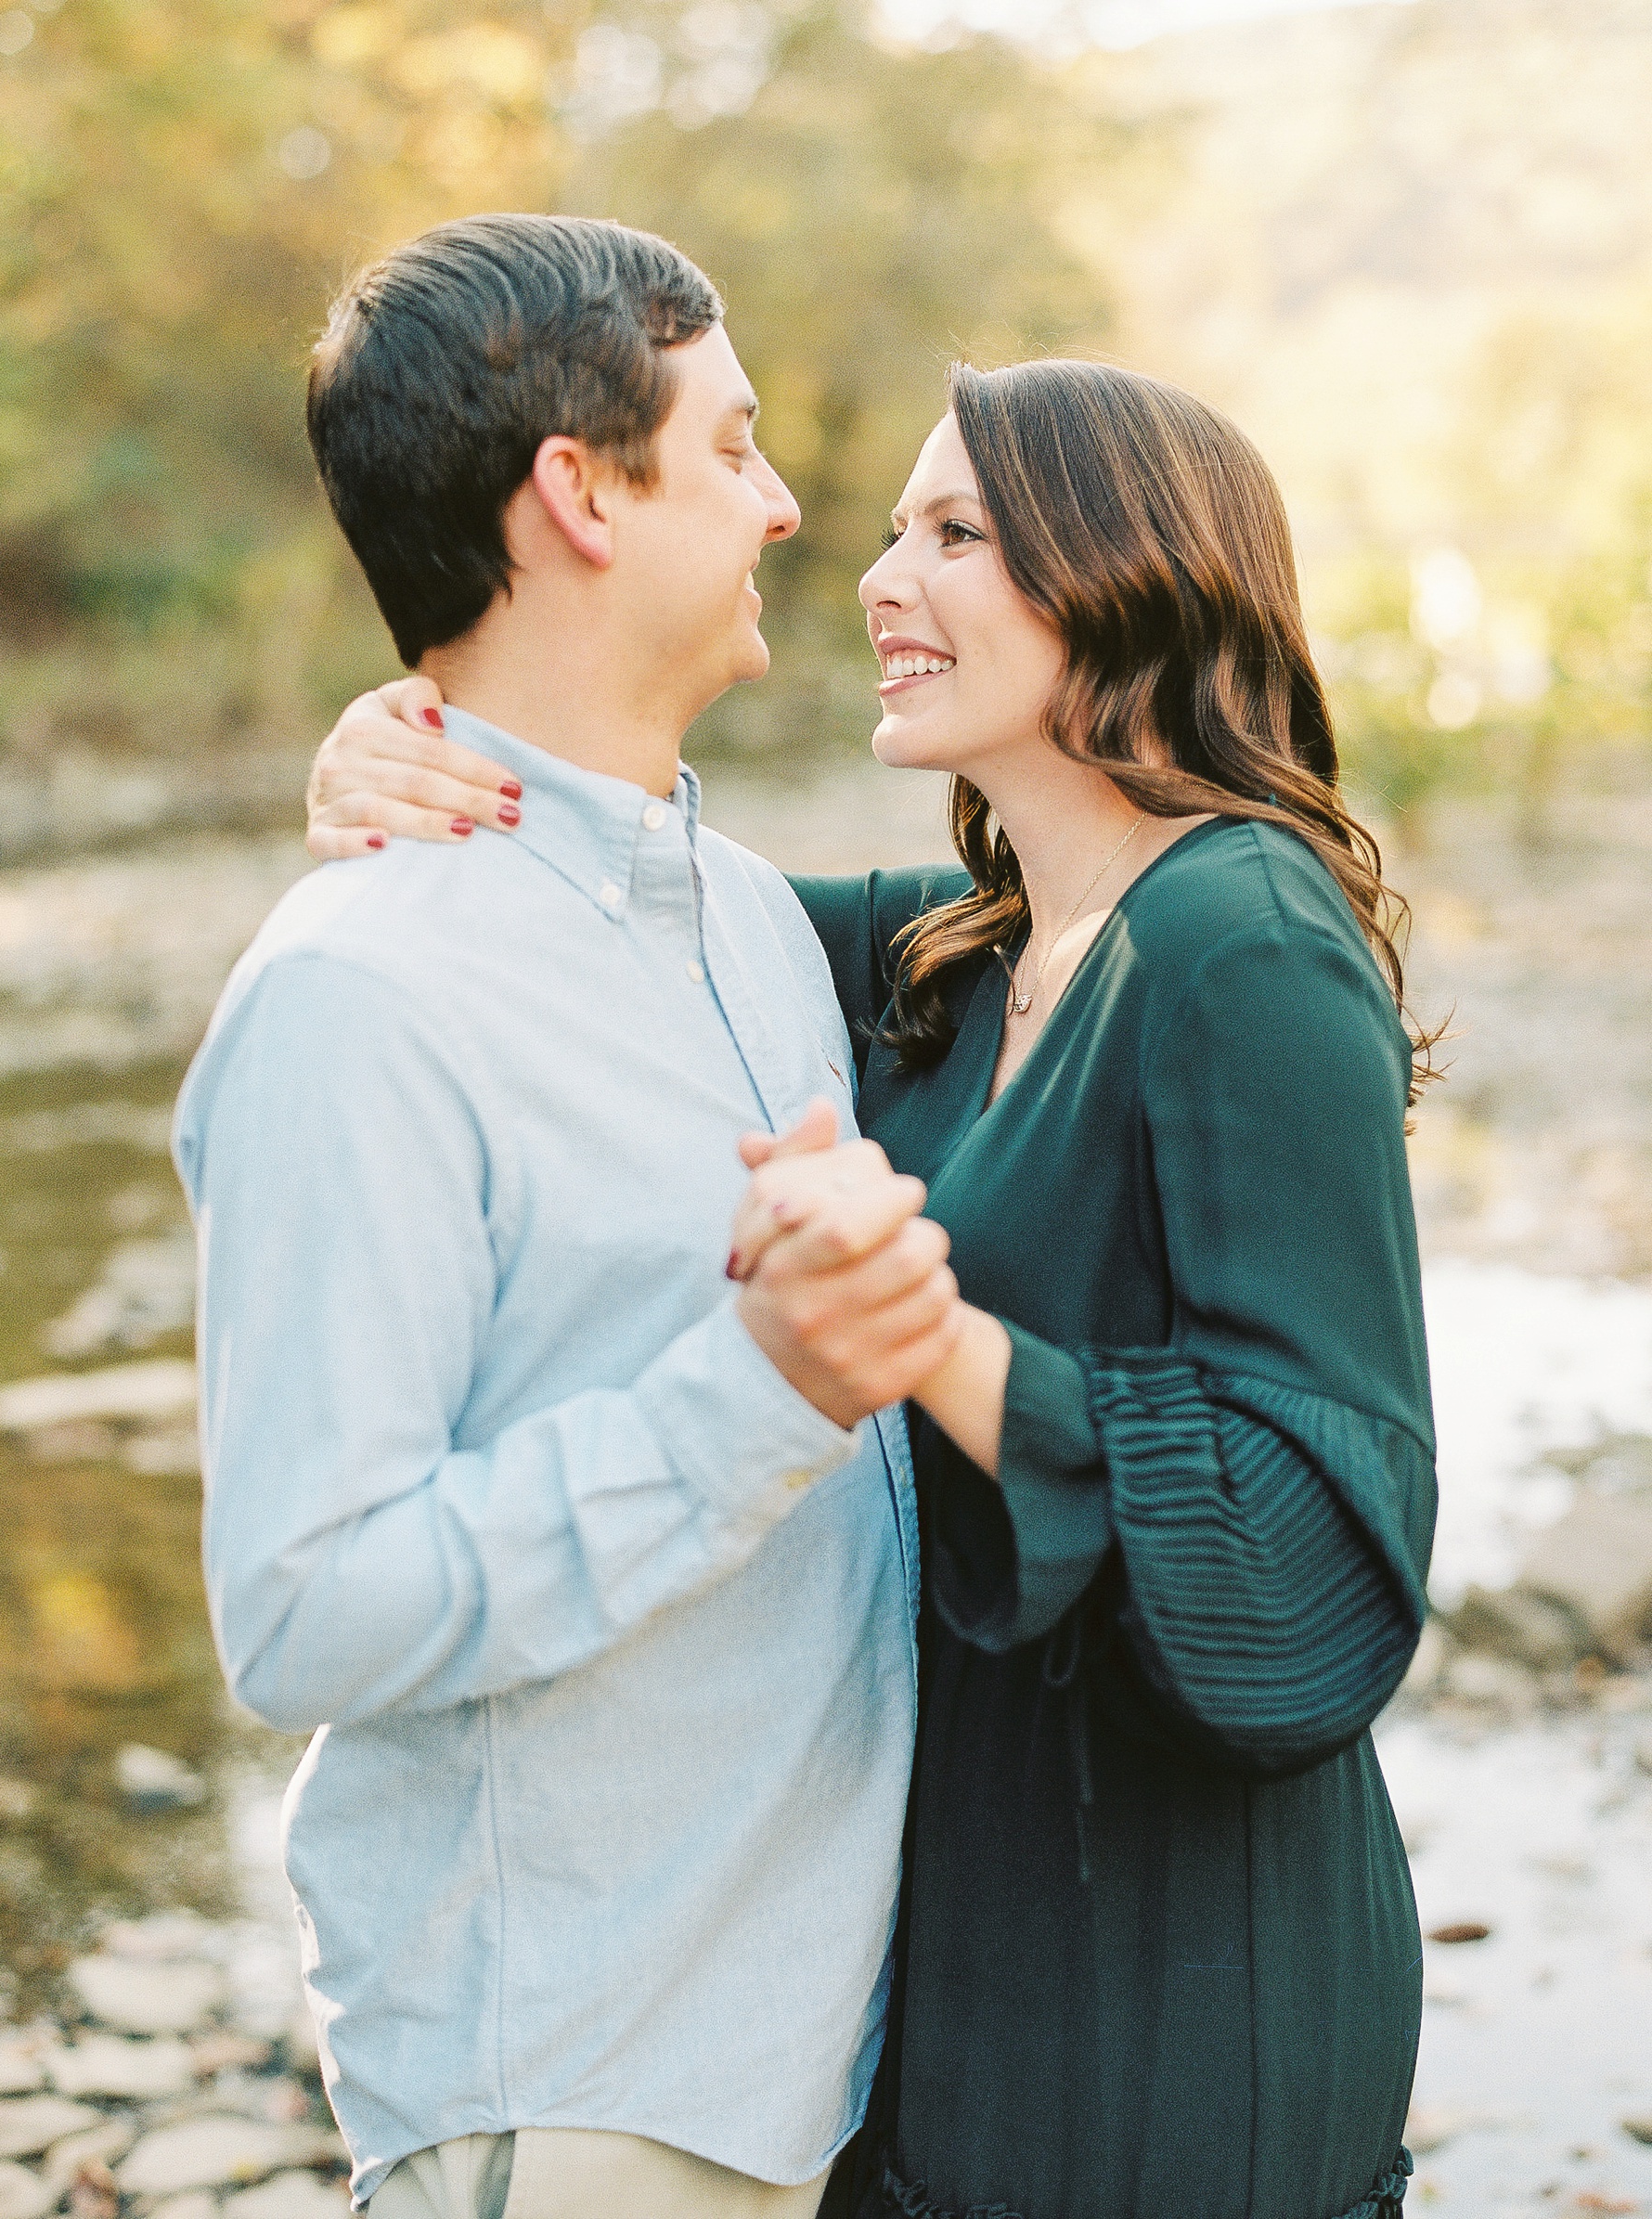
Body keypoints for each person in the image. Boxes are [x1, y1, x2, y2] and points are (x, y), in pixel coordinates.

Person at [307, 355, 1438, 2219]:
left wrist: (929, 1337)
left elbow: (1331, 1544)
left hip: (1174, 1987)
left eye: (956, 533)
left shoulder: (1246, 939)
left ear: (1127, 569)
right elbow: (619, 896)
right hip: (953, 1944)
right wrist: (406, 749)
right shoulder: (951, 955)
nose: (876, 577)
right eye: (897, 529)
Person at [176, 213, 969, 2219]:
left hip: (812, 2062)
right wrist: (764, 1394)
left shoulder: (756, 928)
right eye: (731, 448)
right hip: (586, 2095)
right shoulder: (362, 990)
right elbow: (301, 1605)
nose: (788, 506)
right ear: (579, 496)